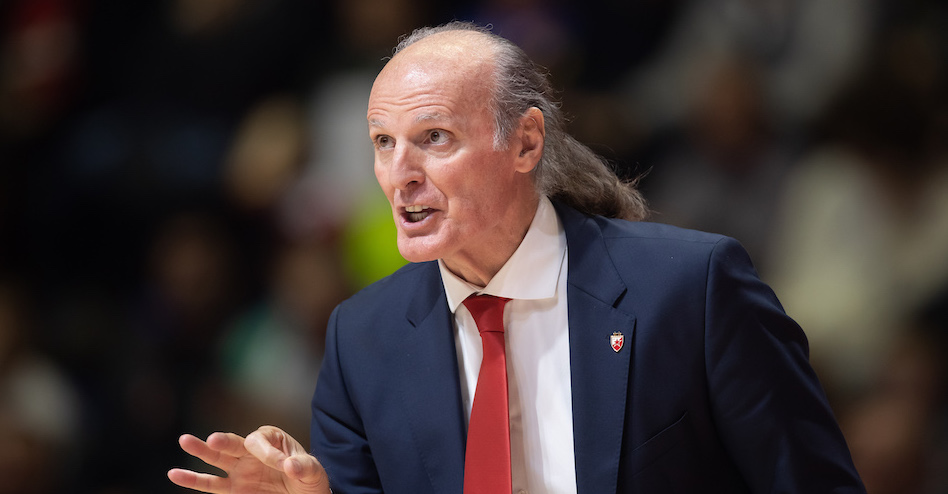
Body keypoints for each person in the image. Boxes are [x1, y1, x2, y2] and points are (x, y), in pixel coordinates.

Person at [168, 22, 866, 494]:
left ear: (526, 142)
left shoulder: (691, 289)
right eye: (383, 142)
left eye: (434, 137)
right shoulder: (363, 340)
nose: (399, 174)